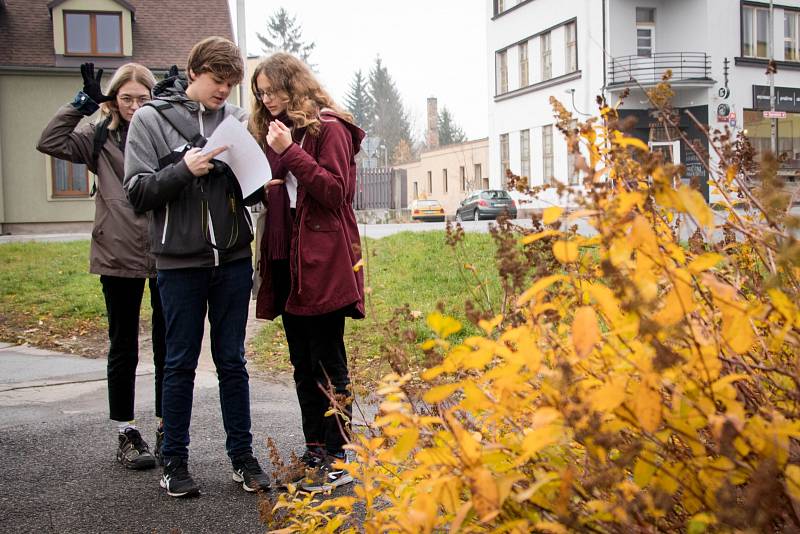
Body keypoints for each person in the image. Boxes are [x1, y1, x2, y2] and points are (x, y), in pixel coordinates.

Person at [123, 36, 269, 498]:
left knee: (233, 362)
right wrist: (185, 169)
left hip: (232, 260)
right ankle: (175, 462)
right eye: (216, 81)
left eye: (230, 84)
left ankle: (243, 460)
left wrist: (253, 178)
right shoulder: (149, 120)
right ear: (193, 73)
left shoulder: (236, 121)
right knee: (179, 363)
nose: (224, 91)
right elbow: (137, 193)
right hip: (178, 263)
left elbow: (254, 190)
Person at [37, 62, 165, 471]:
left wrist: (175, 102)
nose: (133, 105)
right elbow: (50, 140)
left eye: (143, 98)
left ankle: (168, 425)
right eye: (125, 98)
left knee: (169, 346)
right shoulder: (98, 137)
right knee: (123, 345)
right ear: (113, 99)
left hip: (166, 253)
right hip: (117, 253)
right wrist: (83, 103)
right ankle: (126, 432)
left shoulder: (166, 135)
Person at [250, 53, 365, 491]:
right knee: (302, 363)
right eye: (261, 93)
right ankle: (315, 448)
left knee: (328, 358)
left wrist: (290, 153)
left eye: (273, 90)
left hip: (322, 258)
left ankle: (341, 454)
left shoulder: (328, 128)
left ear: (294, 86)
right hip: (287, 256)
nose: (267, 99)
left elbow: (335, 192)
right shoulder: (278, 133)